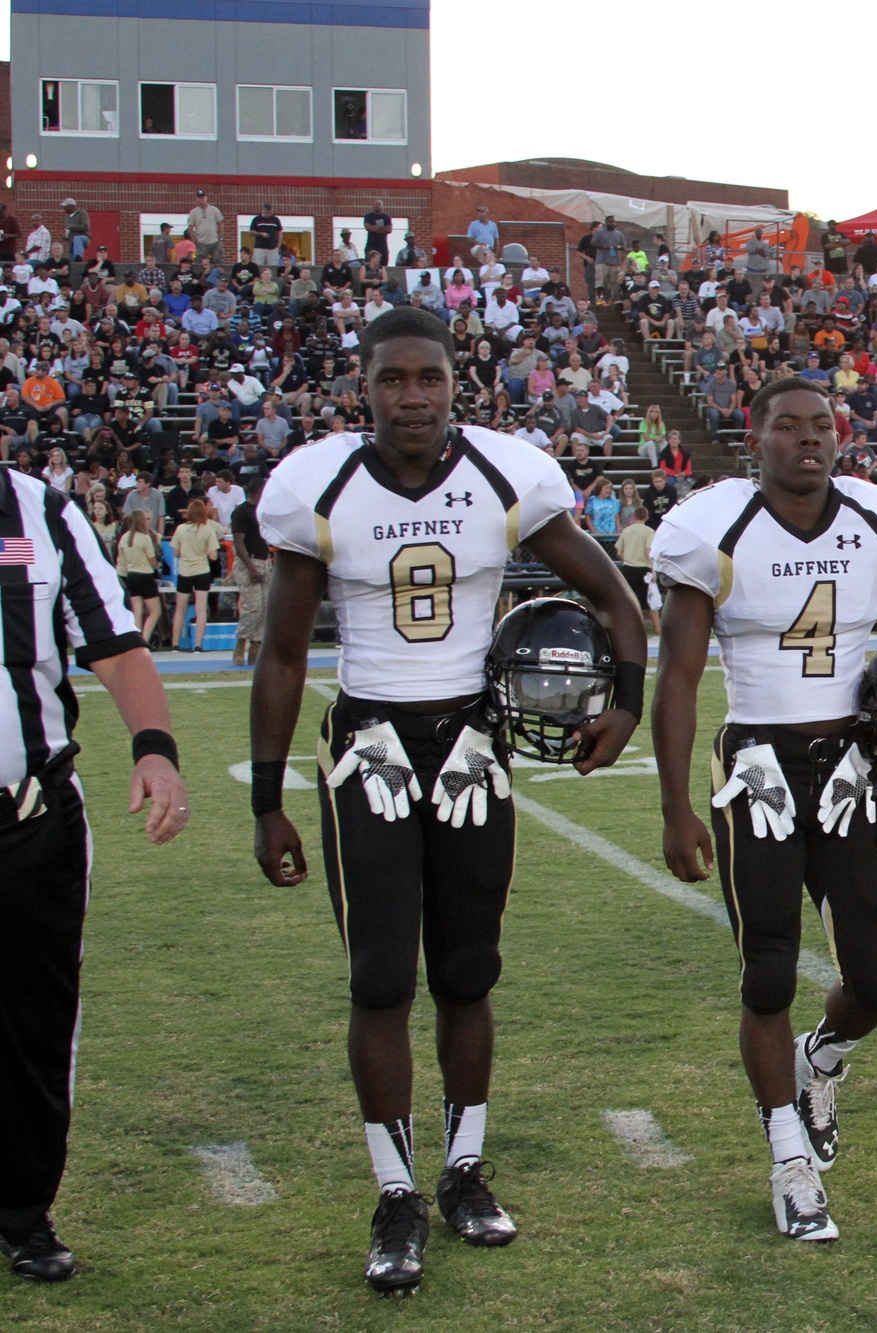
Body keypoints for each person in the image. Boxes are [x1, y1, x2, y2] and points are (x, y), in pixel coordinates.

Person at [247, 307, 646, 1292]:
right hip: (371, 743)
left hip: (471, 740)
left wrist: (626, 703)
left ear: (455, 383)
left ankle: (464, 1166)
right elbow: (286, 651)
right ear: (364, 386)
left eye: (429, 377)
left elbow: (617, 599)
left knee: (467, 971)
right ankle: (395, 1191)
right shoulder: (320, 485)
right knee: (381, 977)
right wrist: (266, 797)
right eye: (393, 379)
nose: (412, 396)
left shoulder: (506, 476)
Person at [651, 378, 877, 1241]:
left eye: (821, 424)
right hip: (759, 767)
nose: (807, 439)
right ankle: (788, 1160)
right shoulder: (716, 529)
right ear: (756, 436)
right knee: (769, 970)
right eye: (787, 425)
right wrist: (675, 806)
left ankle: (824, 1058)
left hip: (851, 763)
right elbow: (677, 678)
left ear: (839, 435)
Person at [0, 458, 188, 1283]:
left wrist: (156, 751)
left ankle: (21, 1210)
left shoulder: (37, 507)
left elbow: (114, 647)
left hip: (27, 815)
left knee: (34, 1029)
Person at [228, 473, 271, 666]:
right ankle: (241, 641)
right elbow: (239, 542)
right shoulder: (241, 512)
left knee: (265, 607)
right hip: (249, 561)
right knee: (252, 606)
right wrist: (251, 568)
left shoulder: (264, 511)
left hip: (264, 559)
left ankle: (257, 644)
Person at [170, 496, 221, 651]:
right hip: (202, 570)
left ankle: (175, 644)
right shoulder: (208, 529)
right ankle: (198, 645)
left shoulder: (181, 529)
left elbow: (176, 552)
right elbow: (213, 556)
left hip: (185, 571)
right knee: (201, 609)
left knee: (180, 609)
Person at [116, 509, 166, 647]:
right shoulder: (145, 538)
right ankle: (145, 638)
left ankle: (136, 640)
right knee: (155, 611)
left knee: (138, 611)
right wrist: (157, 564)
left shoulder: (125, 538)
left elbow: (122, 559)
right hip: (145, 576)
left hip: (131, 575)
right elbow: (152, 561)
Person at [614, 508, 657, 635]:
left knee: (630, 601)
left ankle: (631, 628)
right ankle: (657, 628)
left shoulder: (626, 531)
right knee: (649, 602)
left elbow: (619, 551)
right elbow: (648, 551)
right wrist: (653, 569)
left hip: (627, 568)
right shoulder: (649, 531)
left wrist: (628, 558)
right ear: (646, 517)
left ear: (634, 516)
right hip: (643, 568)